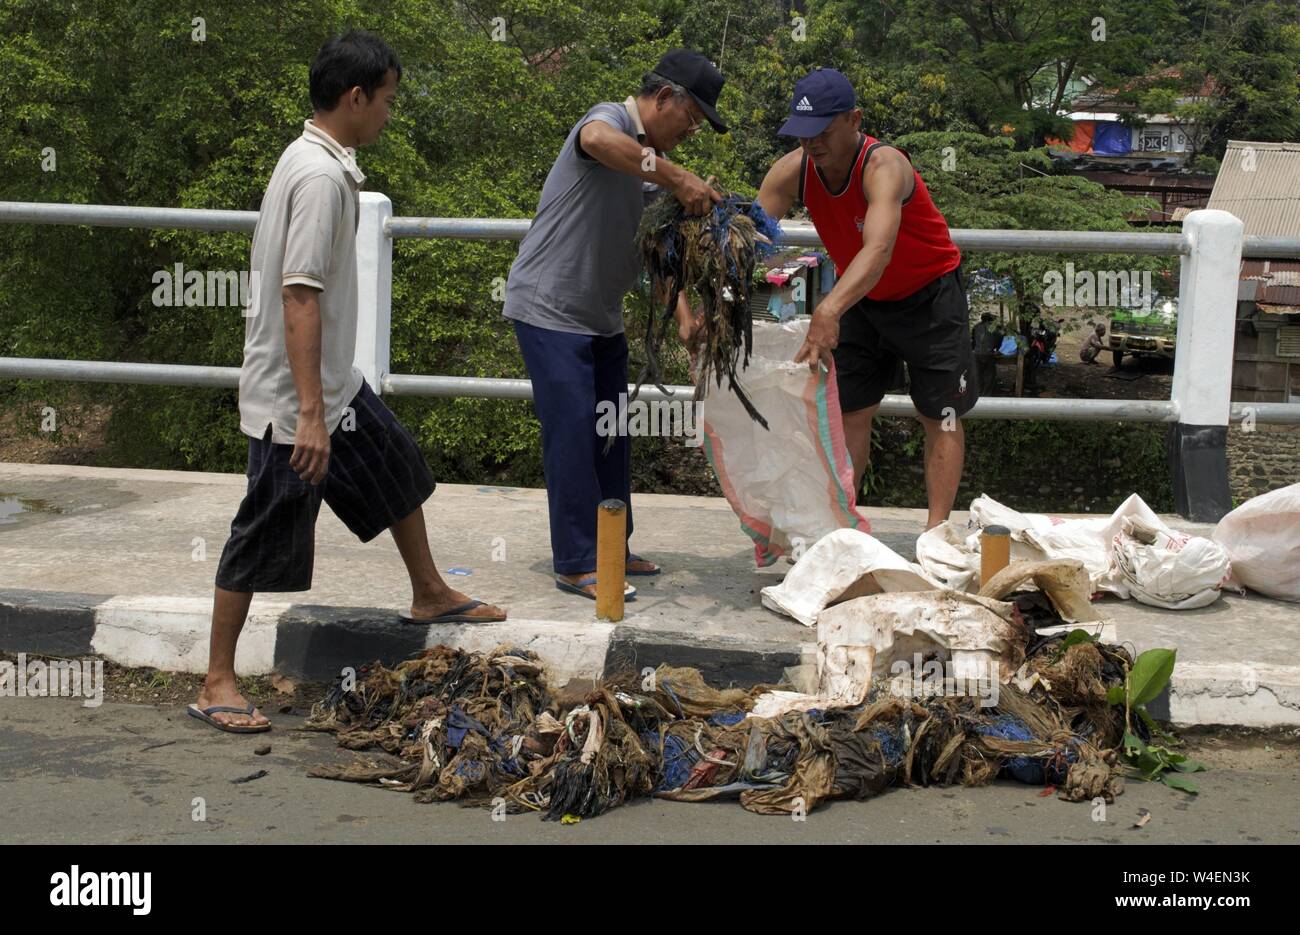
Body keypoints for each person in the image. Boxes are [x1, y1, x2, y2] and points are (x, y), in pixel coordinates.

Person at [191, 31, 504, 734]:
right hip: (294, 401)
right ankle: (217, 680)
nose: (390, 114)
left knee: (398, 469)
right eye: (387, 100)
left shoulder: (318, 160)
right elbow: (299, 294)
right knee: (264, 528)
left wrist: (328, 400)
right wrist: (308, 414)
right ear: (355, 97)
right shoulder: (319, 177)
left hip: (335, 389)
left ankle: (429, 591)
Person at [503, 49, 725, 600]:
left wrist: (682, 313)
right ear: (664, 97)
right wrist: (676, 177)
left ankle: (611, 547)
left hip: (599, 318)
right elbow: (598, 143)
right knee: (575, 431)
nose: (691, 132)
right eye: (691, 118)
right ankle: (577, 561)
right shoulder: (611, 120)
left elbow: (654, 251)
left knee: (611, 432)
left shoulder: (646, 160)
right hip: (549, 310)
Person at [756, 68, 976, 530]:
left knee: (941, 415)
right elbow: (749, 238)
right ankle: (842, 528)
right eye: (802, 134)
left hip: (928, 295)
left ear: (854, 119)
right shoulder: (792, 173)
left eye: (822, 131)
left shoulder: (884, 167)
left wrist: (829, 307)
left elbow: (877, 251)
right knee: (851, 410)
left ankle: (935, 533)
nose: (812, 144)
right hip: (860, 299)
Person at [971, 312, 1002, 396]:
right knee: (990, 375)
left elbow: (973, 341)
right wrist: (996, 349)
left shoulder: (976, 327)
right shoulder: (994, 328)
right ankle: (986, 395)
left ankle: (978, 393)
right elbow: (999, 341)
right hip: (988, 354)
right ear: (990, 320)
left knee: (978, 375)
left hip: (977, 354)